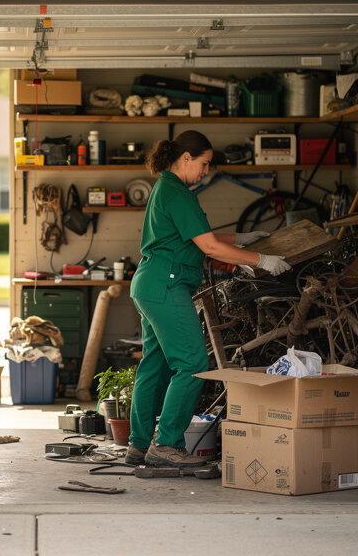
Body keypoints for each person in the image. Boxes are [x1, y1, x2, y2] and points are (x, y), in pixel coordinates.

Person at [124, 130, 291, 468]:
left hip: (150, 283)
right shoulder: (177, 193)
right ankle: (166, 444)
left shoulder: (167, 189)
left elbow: (202, 236)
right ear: (186, 158)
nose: (205, 171)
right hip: (167, 286)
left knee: (154, 368)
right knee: (193, 364)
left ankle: (139, 445)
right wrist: (261, 260)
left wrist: (243, 239)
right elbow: (211, 247)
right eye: (203, 164)